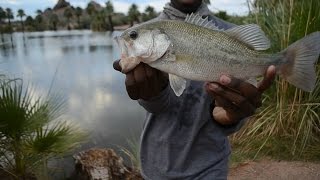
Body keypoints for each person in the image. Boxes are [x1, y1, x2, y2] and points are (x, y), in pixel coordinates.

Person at [113, 0, 276, 179]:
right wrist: (152, 96)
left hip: (211, 169)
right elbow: (159, 106)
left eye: (134, 36)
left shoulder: (230, 32)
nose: (130, 39)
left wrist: (230, 118)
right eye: (134, 35)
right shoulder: (149, 33)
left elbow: (242, 99)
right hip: (156, 168)